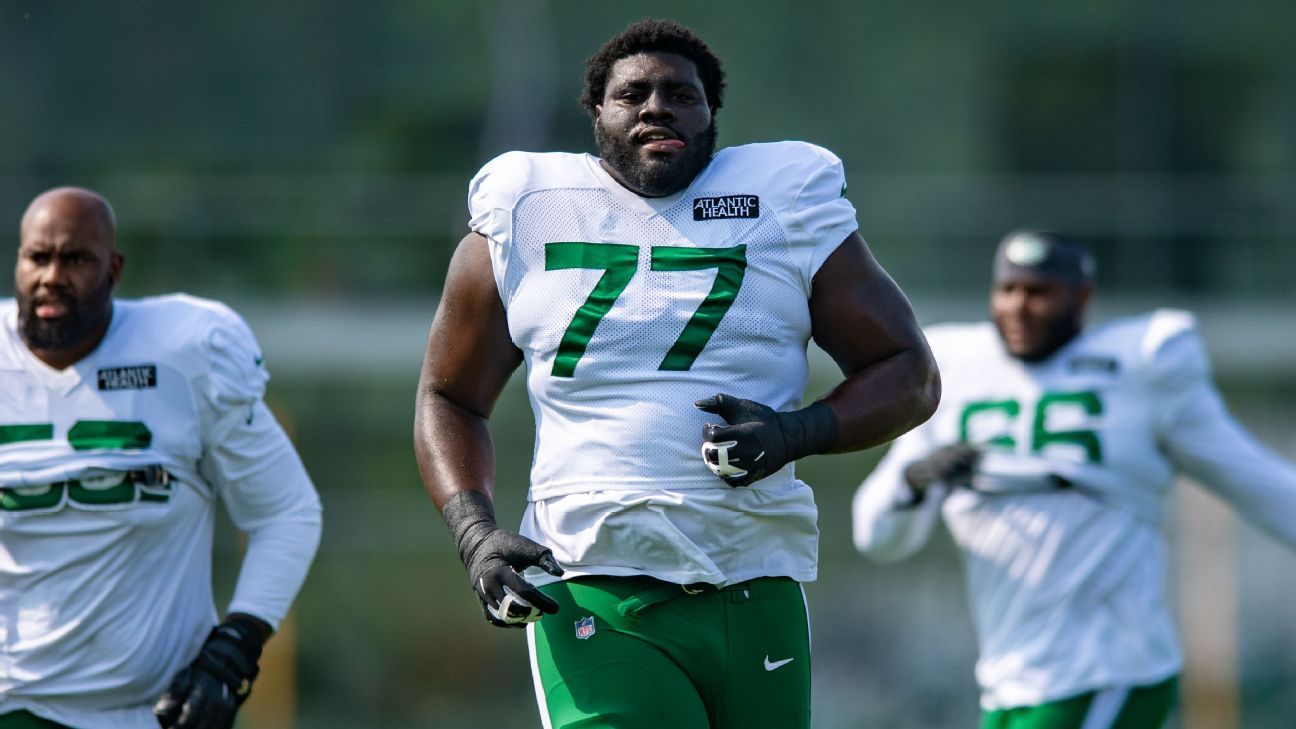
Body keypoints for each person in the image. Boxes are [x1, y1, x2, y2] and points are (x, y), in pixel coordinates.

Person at [412, 17, 939, 729]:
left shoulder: (783, 197)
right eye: (633, 94)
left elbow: (910, 372)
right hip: (593, 580)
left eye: (680, 94)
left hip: (755, 578)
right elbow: (447, 394)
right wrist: (475, 533)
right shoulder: (526, 207)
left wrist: (796, 431)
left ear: (712, 114)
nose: (657, 106)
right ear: (596, 113)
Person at [852, 230, 1296, 729]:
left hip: (1107, 668)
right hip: (1009, 679)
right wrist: (912, 483)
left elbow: (1261, 483)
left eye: (1039, 292)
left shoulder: (1144, 367)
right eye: (1008, 289)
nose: (1019, 307)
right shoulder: (954, 369)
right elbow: (876, 538)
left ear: (1081, 298)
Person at [0, 187, 322, 729]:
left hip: (149, 712)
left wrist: (236, 645)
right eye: (38, 257)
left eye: (76, 258)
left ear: (114, 268)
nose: (52, 276)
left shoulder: (186, 351)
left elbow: (286, 512)